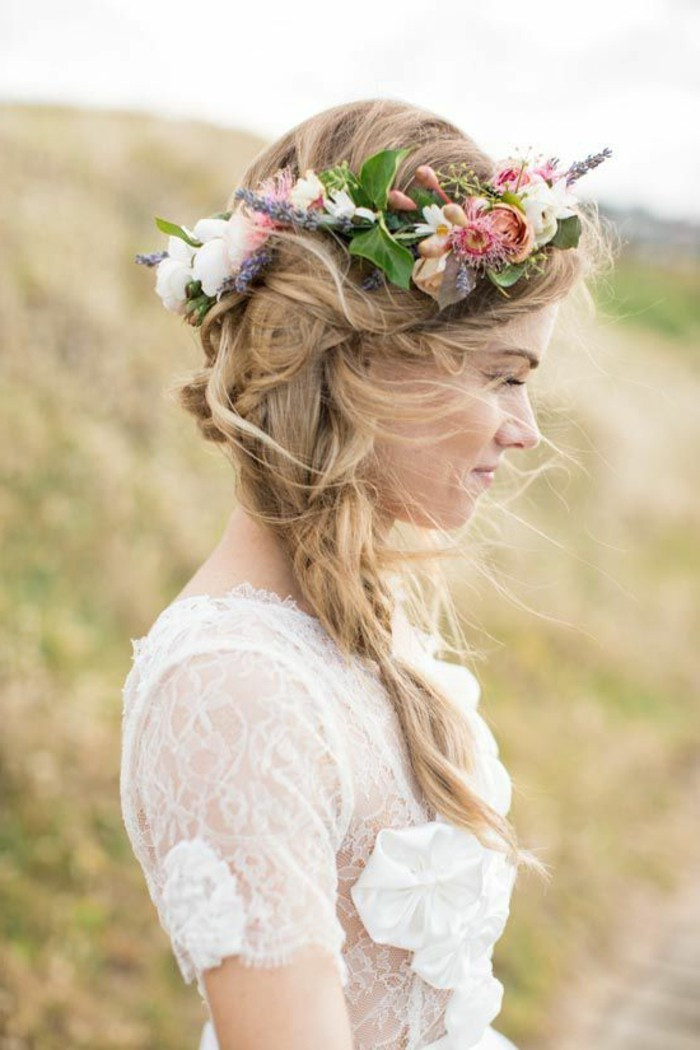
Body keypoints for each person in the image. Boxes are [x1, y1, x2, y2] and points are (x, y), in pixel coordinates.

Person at [121, 97, 612, 1050]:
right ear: (368, 365)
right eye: (502, 374)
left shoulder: (352, 631)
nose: (526, 428)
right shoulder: (232, 689)